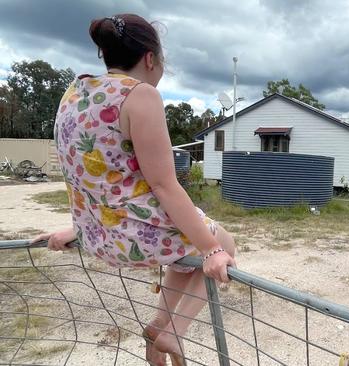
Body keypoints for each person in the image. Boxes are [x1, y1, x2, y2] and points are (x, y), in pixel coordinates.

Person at [31, 14, 236, 366]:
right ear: (150, 59)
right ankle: (174, 331)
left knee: (188, 251)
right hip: (135, 238)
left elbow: (82, 171)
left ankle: (159, 324)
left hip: (98, 237)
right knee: (223, 242)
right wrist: (213, 249)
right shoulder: (140, 95)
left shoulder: (74, 92)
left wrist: (80, 229)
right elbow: (164, 185)